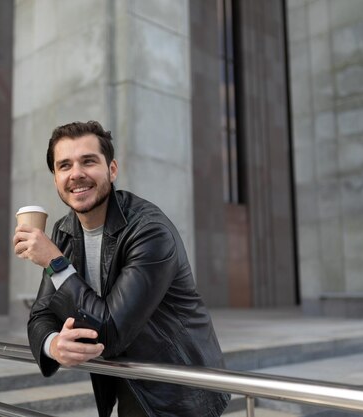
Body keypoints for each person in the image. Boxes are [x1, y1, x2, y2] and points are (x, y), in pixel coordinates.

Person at [13, 120, 230, 417]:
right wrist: (54, 345)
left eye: (88, 161)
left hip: (178, 390)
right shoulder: (65, 230)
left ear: (112, 170)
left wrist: (54, 262)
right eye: (64, 166)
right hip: (125, 380)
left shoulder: (149, 230)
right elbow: (41, 315)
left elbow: (110, 330)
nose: (76, 174)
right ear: (56, 179)